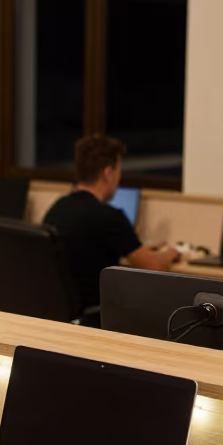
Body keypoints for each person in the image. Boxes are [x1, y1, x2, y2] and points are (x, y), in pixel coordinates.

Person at [42, 134, 180, 315]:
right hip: (96, 316)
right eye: (118, 173)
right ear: (108, 173)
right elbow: (155, 266)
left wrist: (140, 249)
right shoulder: (109, 217)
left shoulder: (57, 208)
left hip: (60, 316)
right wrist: (171, 253)